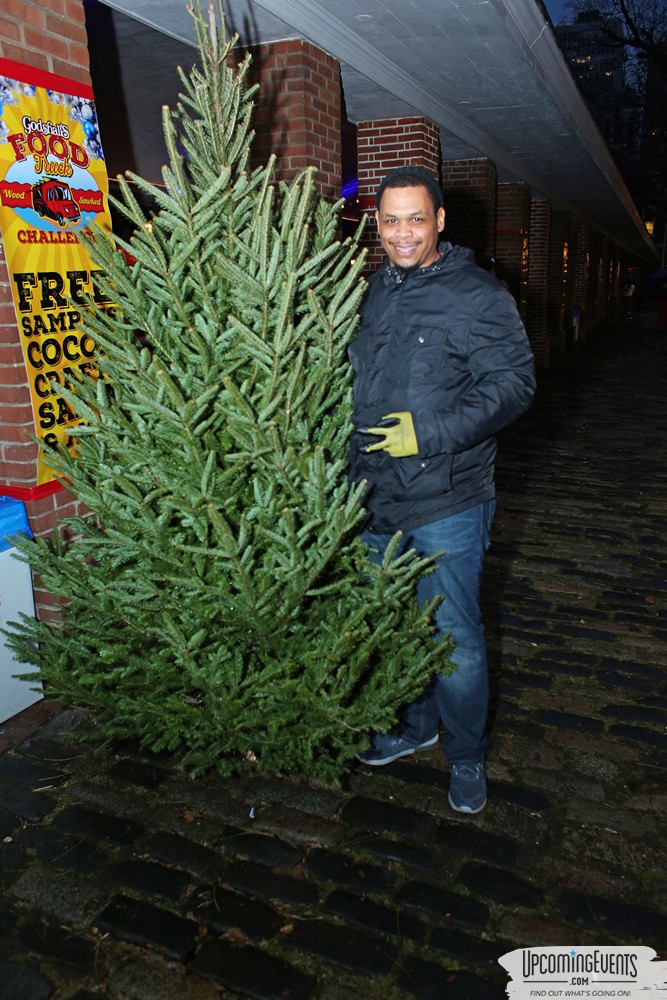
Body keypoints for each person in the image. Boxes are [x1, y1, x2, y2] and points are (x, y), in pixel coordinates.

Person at [349, 165, 536, 814]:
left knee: (453, 640)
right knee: (398, 629)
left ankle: (464, 758)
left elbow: (513, 388)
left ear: (440, 221)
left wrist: (425, 434)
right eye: (391, 220)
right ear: (377, 223)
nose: (403, 233)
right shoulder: (376, 290)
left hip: (448, 501)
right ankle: (414, 725)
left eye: (416, 219)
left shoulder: (479, 296)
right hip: (375, 500)